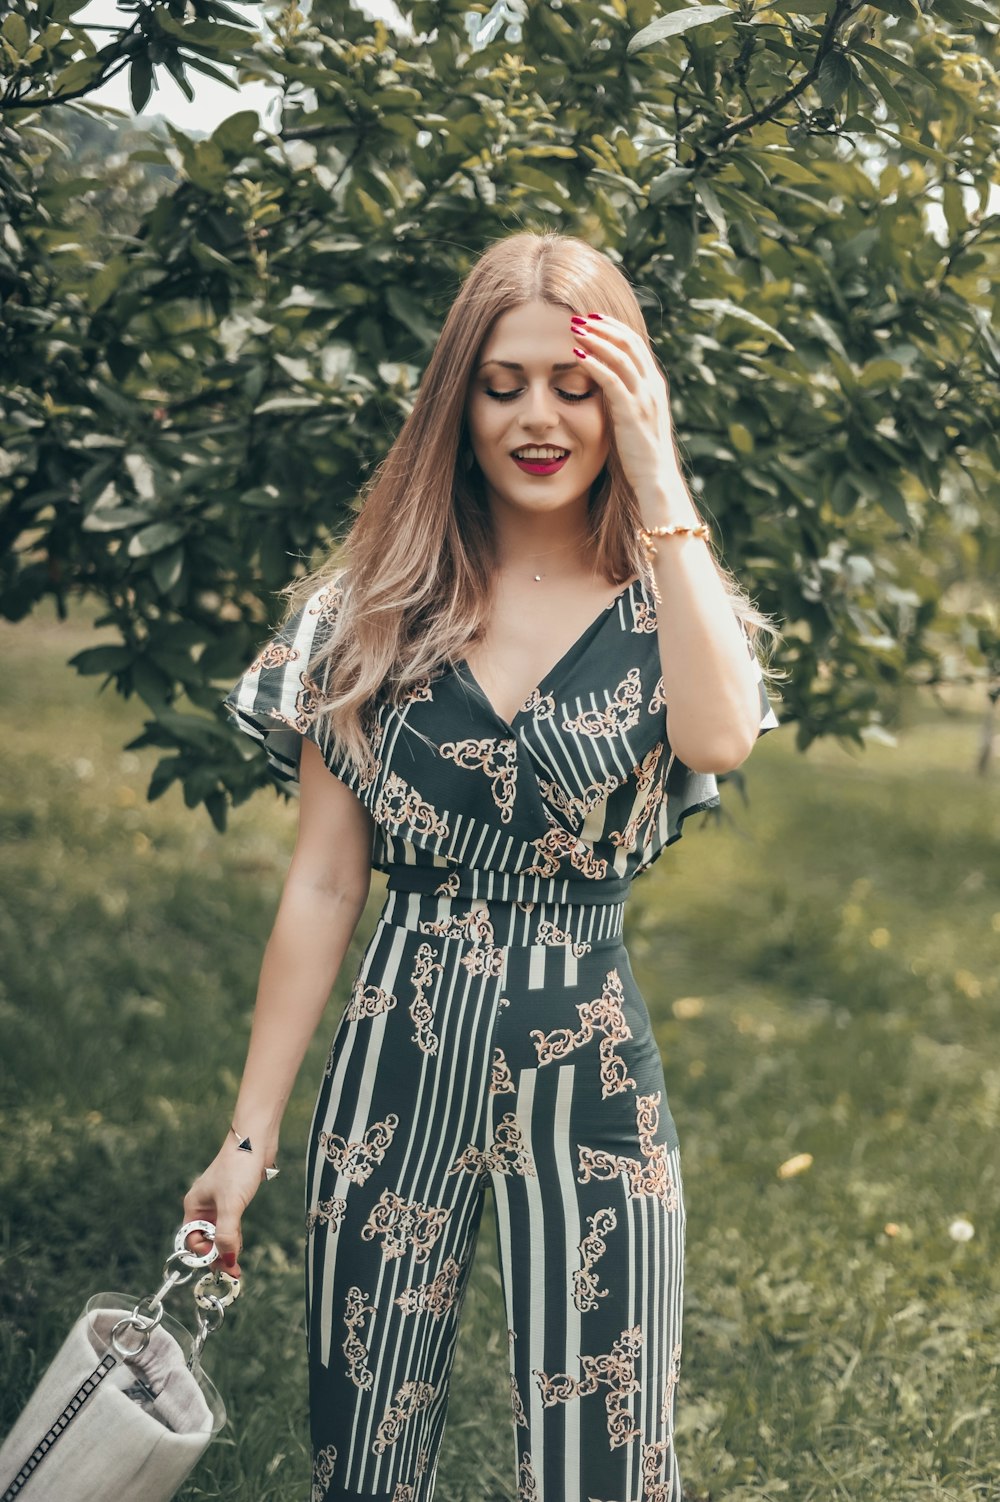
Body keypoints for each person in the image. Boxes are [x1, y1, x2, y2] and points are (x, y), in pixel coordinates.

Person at [183, 230, 780, 1502]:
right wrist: (249, 1135)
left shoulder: (664, 595)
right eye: (501, 384)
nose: (537, 418)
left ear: (622, 395)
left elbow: (721, 733)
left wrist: (659, 458)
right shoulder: (374, 604)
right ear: (458, 400)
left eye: (575, 384)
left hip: (592, 1043)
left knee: (610, 1444)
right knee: (366, 1433)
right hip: (402, 1030)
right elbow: (324, 884)